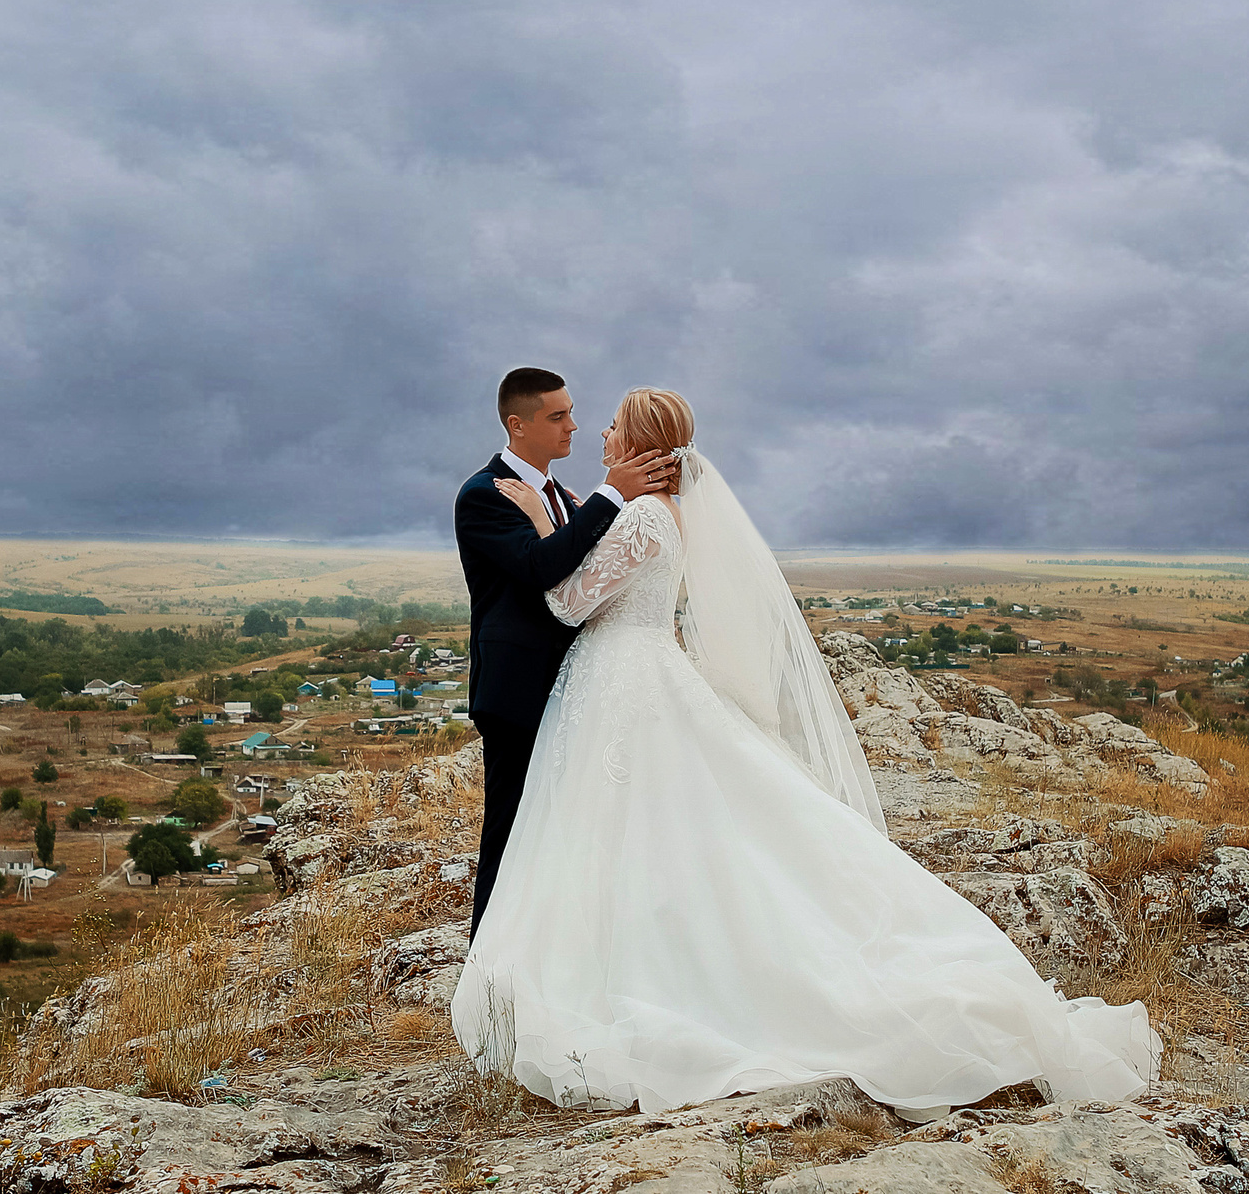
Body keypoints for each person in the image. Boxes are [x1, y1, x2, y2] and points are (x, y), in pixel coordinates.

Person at [451, 387, 1159, 1117]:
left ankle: (630, 972)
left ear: (637, 445)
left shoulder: (637, 514)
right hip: (636, 674)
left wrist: (542, 523)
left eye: (611, 424)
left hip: (622, 679)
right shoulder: (669, 513)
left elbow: (567, 603)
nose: (596, 429)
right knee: (654, 829)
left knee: (628, 827)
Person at [455, 368, 679, 935]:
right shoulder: (485, 495)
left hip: (581, 688)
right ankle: (490, 954)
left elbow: (587, 571)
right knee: (509, 827)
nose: (573, 426)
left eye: (572, 412)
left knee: (561, 827)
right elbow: (540, 569)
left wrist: (590, 506)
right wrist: (609, 496)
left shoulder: (566, 496)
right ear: (517, 423)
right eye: (557, 416)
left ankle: (554, 941)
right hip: (518, 691)